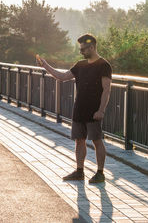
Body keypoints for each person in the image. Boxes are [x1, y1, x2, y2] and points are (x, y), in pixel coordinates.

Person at [36, 34, 112, 183]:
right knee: (79, 141)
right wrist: (45, 65)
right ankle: (79, 171)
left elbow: (106, 90)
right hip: (79, 109)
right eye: (80, 50)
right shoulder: (80, 65)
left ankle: (100, 173)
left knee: (97, 141)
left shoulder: (104, 65)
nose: (81, 52)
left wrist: (101, 110)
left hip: (94, 111)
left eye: (83, 49)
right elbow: (62, 77)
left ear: (92, 47)